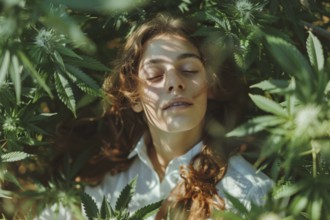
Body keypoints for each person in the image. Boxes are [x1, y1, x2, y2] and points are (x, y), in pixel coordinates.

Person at [38, 13, 273, 220]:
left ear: (210, 85)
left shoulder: (249, 192)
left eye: (189, 70)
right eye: (154, 75)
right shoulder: (106, 178)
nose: (174, 83)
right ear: (135, 98)